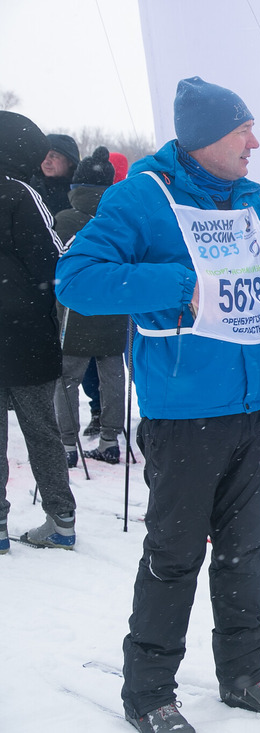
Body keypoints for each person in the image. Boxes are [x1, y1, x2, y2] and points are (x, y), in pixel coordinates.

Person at [55, 76, 260, 733]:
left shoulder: (253, 201)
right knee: (176, 550)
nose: (255, 141)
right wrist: (178, 282)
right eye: (243, 130)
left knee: (248, 546)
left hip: (256, 401)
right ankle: (150, 689)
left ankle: (245, 672)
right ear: (209, 137)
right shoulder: (143, 197)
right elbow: (76, 278)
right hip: (185, 411)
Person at [0, 111, 78, 555]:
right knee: (41, 429)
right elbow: (53, 261)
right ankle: (60, 520)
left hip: (14, 332)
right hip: (24, 333)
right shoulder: (21, 192)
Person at [52, 146, 129, 467]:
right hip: (113, 307)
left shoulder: (63, 220)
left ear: (75, 189)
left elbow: (51, 264)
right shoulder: (122, 219)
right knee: (113, 374)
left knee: (66, 379)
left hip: (74, 312)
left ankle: (67, 446)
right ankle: (111, 440)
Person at [29, 133, 80, 216]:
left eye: (53, 156)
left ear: (70, 161)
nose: (46, 161)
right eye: (43, 155)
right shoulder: (31, 187)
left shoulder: (82, 189)